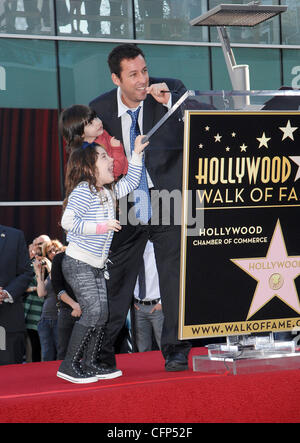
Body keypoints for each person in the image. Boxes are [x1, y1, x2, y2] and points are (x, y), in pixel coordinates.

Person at [89, 43, 215, 371]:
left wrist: (171, 103)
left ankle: (175, 349)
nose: (143, 79)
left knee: (174, 278)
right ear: (116, 78)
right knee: (115, 281)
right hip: (126, 204)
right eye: (133, 75)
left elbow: (208, 124)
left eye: (144, 70)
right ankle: (102, 353)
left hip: (169, 200)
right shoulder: (99, 108)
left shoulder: (171, 90)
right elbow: (86, 157)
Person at [56, 131, 148, 384]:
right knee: (94, 311)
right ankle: (68, 365)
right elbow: (67, 222)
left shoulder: (105, 192)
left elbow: (130, 183)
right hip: (79, 263)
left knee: (101, 313)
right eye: (104, 156)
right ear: (89, 166)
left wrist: (137, 154)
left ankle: (91, 362)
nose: (111, 160)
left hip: (95, 265)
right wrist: (102, 226)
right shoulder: (84, 191)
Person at [59, 104, 128, 181]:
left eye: (95, 117)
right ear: (81, 134)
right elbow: (114, 172)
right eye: (90, 123)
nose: (98, 122)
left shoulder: (102, 133)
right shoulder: (90, 153)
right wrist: (117, 149)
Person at [0, 224, 33, 365]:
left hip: (7, 321)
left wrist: (5, 293)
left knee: (9, 374)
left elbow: (26, 272)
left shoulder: (15, 236)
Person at [34, 239, 63, 361]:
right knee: (47, 356)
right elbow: (41, 293)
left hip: (59, 317)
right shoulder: (50, 272)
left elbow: (59, 285)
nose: (53, 253)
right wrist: (38, 273)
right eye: (49, 252)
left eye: (55, 250)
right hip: (45, 318)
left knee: (61, 353)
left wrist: (51, 268)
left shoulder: (64, 267)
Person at [133, 240, 164, 352]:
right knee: (142, 348)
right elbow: (127, 278)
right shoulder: (132, 248)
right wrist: (131, 301)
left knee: (164, 344)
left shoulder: (158, 247)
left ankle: (169, 367)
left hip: (157, 306)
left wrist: (162, 303)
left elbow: (169, 275)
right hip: (138, 306)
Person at [51, 248, 81, 360]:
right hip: (67, 310)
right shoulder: (59, 258)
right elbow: (57, 287)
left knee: (90, 351)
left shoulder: (92, 257)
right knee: (64, 351)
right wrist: (74, 305)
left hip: (90, 311)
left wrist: (83, 306)